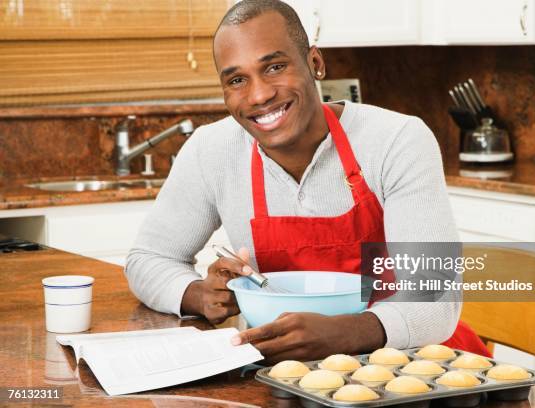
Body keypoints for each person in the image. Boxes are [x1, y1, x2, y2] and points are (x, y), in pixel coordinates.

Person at [126, 0, 489, 363]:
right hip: (283, 371)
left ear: (315, 63)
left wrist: (345, 333)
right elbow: (148, 259)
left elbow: (436, 297)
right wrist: (201, 295)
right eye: (237, 80)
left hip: (414, 364)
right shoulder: (211, 151)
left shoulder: (397, 140)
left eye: (275, 67)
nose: (259, 95)